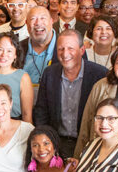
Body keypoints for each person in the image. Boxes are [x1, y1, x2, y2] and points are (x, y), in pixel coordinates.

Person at [33, 28, 108, 158]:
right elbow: (41, 111)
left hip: (89, 143)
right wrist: (46, 142)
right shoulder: (49, 73)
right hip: (56, 143)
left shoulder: (100, 75)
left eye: (70, 48)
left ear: (82, 50)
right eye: (61, 49)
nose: (65, 53)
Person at [0, 33, 33, 123]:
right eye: (0, 49)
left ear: (16, 55)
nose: (4, 54)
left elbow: (27, 115)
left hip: (13, 125)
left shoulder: (23, 77)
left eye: (9, 51)